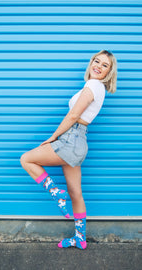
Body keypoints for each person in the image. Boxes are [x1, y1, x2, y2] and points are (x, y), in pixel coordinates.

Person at [20, 50, 117, 250]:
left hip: (71, 139)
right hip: (79, 142)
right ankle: (80, 239)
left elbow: (73, 115)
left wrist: (53, 137)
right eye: (96, 61)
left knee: (26, 159)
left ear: (109, 71)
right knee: (76, 193)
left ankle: (56, 192)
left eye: (104, 65)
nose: (98, 66)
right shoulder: (97, 88)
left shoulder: (93, 85)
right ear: (91, 63)